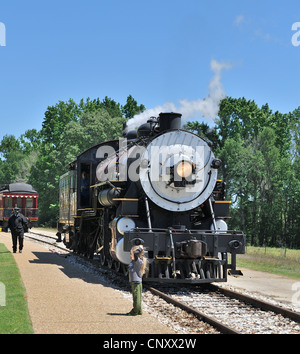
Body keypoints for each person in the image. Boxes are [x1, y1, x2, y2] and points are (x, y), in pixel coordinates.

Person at [127, 245, 147, 316]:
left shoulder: (137, 261)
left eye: (131, 254)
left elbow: (135, 254)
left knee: (136, 298)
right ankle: (139, 310)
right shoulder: (135, 261)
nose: (130, 255)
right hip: (135, 282)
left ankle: (134, 311)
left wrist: (140, 248)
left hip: (136, 282)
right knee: (137, 297)